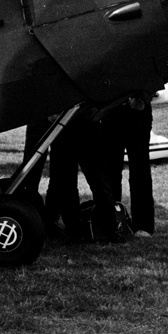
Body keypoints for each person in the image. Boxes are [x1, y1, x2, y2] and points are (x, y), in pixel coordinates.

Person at [44, 106, 120, 243]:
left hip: (79, 124)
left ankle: (107, 229)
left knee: (96, 181)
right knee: (69, 183)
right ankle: (77, 230)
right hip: (73, 125)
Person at [100, 94, 155, 235]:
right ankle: (112, 220)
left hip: (138, 111)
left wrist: (144, 97)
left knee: (140, 169)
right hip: (111, 110)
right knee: (111, 170)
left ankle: (143, 225)